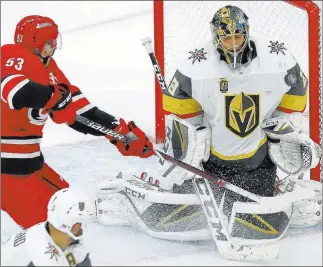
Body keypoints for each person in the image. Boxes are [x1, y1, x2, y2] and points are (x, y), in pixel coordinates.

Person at [95, 5, 322, 260]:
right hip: (211, 167)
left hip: (258, 163)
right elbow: (180, 116)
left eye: (238, 36)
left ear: (247, 33)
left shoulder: (277, 59)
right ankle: (127, 205)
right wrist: (192, 147)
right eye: (227, 37)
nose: (234, 43)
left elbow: (296, 94)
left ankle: (286, 198)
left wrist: (280, 129)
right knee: (168, 219)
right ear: (216, 38)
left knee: (261, 225)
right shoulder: (196, 65)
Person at [1, 15, 154, 231]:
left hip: (27, 167)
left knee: (70, 213)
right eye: (49, 42)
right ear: (36, 44)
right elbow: (16, 92)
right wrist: (53, 98)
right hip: (8, 172)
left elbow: (79, 111)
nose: (54, 46)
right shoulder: (11, 56)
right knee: (55, 234)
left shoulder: (48, 68)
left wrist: (119, 132)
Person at [1, 188, 95, 266]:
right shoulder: (41, 258)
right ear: (64, 223)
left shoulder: (54, 234)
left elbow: (77, 258)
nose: (82, 229)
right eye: (79, 223)